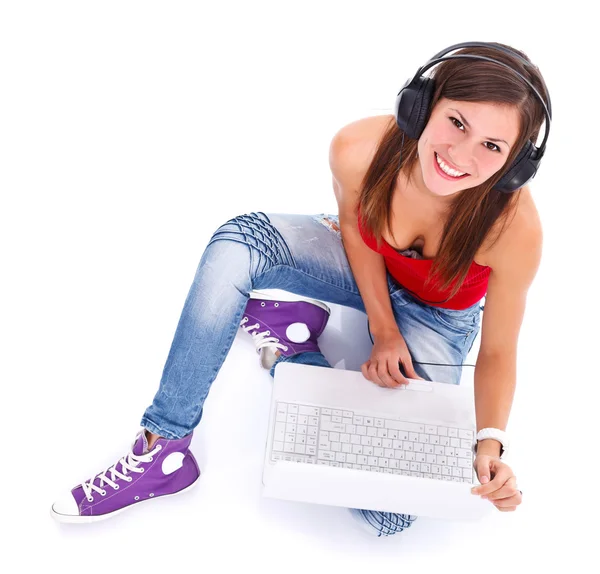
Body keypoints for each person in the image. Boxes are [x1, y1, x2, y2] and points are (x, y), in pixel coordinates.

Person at [50, 42, 550, 537]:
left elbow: (499, 351)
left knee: (390, 513)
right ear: (422, 105)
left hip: (438, 317)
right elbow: (356, 232)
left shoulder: (513, 228)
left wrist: (490, 445)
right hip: (362, 264)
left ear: (515, 165)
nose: (460, 155)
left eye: (492, 146)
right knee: (239, 241)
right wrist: (381, 329)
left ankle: (292, 350)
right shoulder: (357, 149)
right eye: (457, 122)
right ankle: (164, 448)